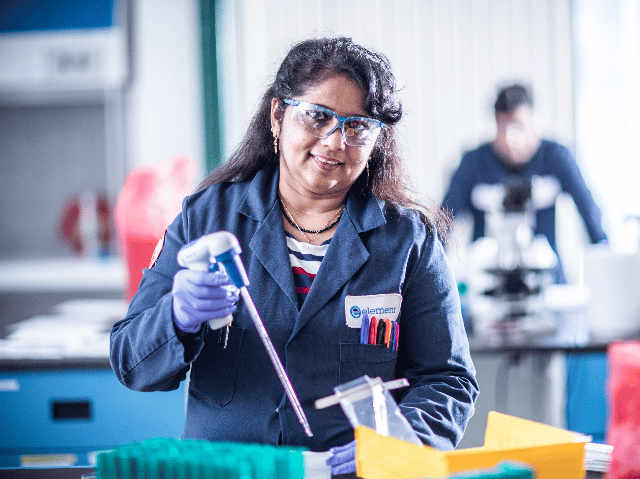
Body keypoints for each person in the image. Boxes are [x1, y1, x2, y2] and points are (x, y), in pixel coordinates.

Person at [110, 37, 478, 475]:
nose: (335, 141)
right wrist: (177, 316)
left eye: (358, 126)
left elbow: (448, 379)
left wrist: (402, 447)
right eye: (318, 116)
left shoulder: (408, 241)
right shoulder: (206, 218)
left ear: (377, 140)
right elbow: (130, 361)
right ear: (278, 116)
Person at [442, 83, 607, 283]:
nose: (513, 140)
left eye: (520, 127)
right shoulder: (473, 162)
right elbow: (444, 220)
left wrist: (608, 268)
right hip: (488, 282)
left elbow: (589, 211)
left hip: (547, 278)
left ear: (534, 120)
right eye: (504, 128)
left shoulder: (556, 157)